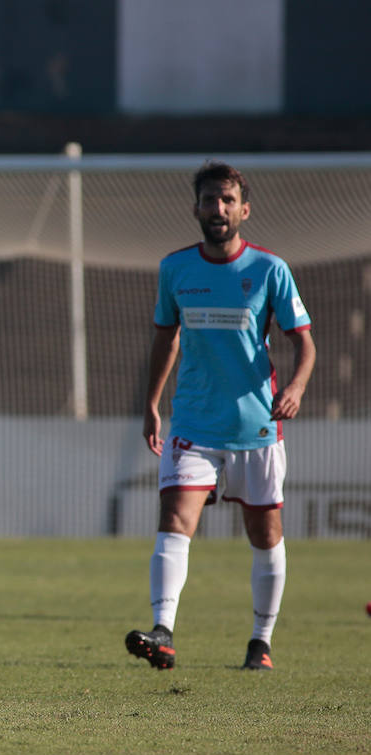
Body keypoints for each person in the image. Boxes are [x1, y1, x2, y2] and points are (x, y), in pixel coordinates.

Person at [127, 161, 315, 672]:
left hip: (256, 426)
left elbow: (305, 343)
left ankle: (261, 641)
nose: (218, 209)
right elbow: (166, 337)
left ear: (244, 209)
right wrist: (151, 405)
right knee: (173, 520)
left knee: (264, 533)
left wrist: (295, 387)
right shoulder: (176, 269)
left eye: (228, 201)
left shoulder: (270, 270)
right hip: (193, 423)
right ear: (196, 208)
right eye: (210, 200)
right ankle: (163, 632)